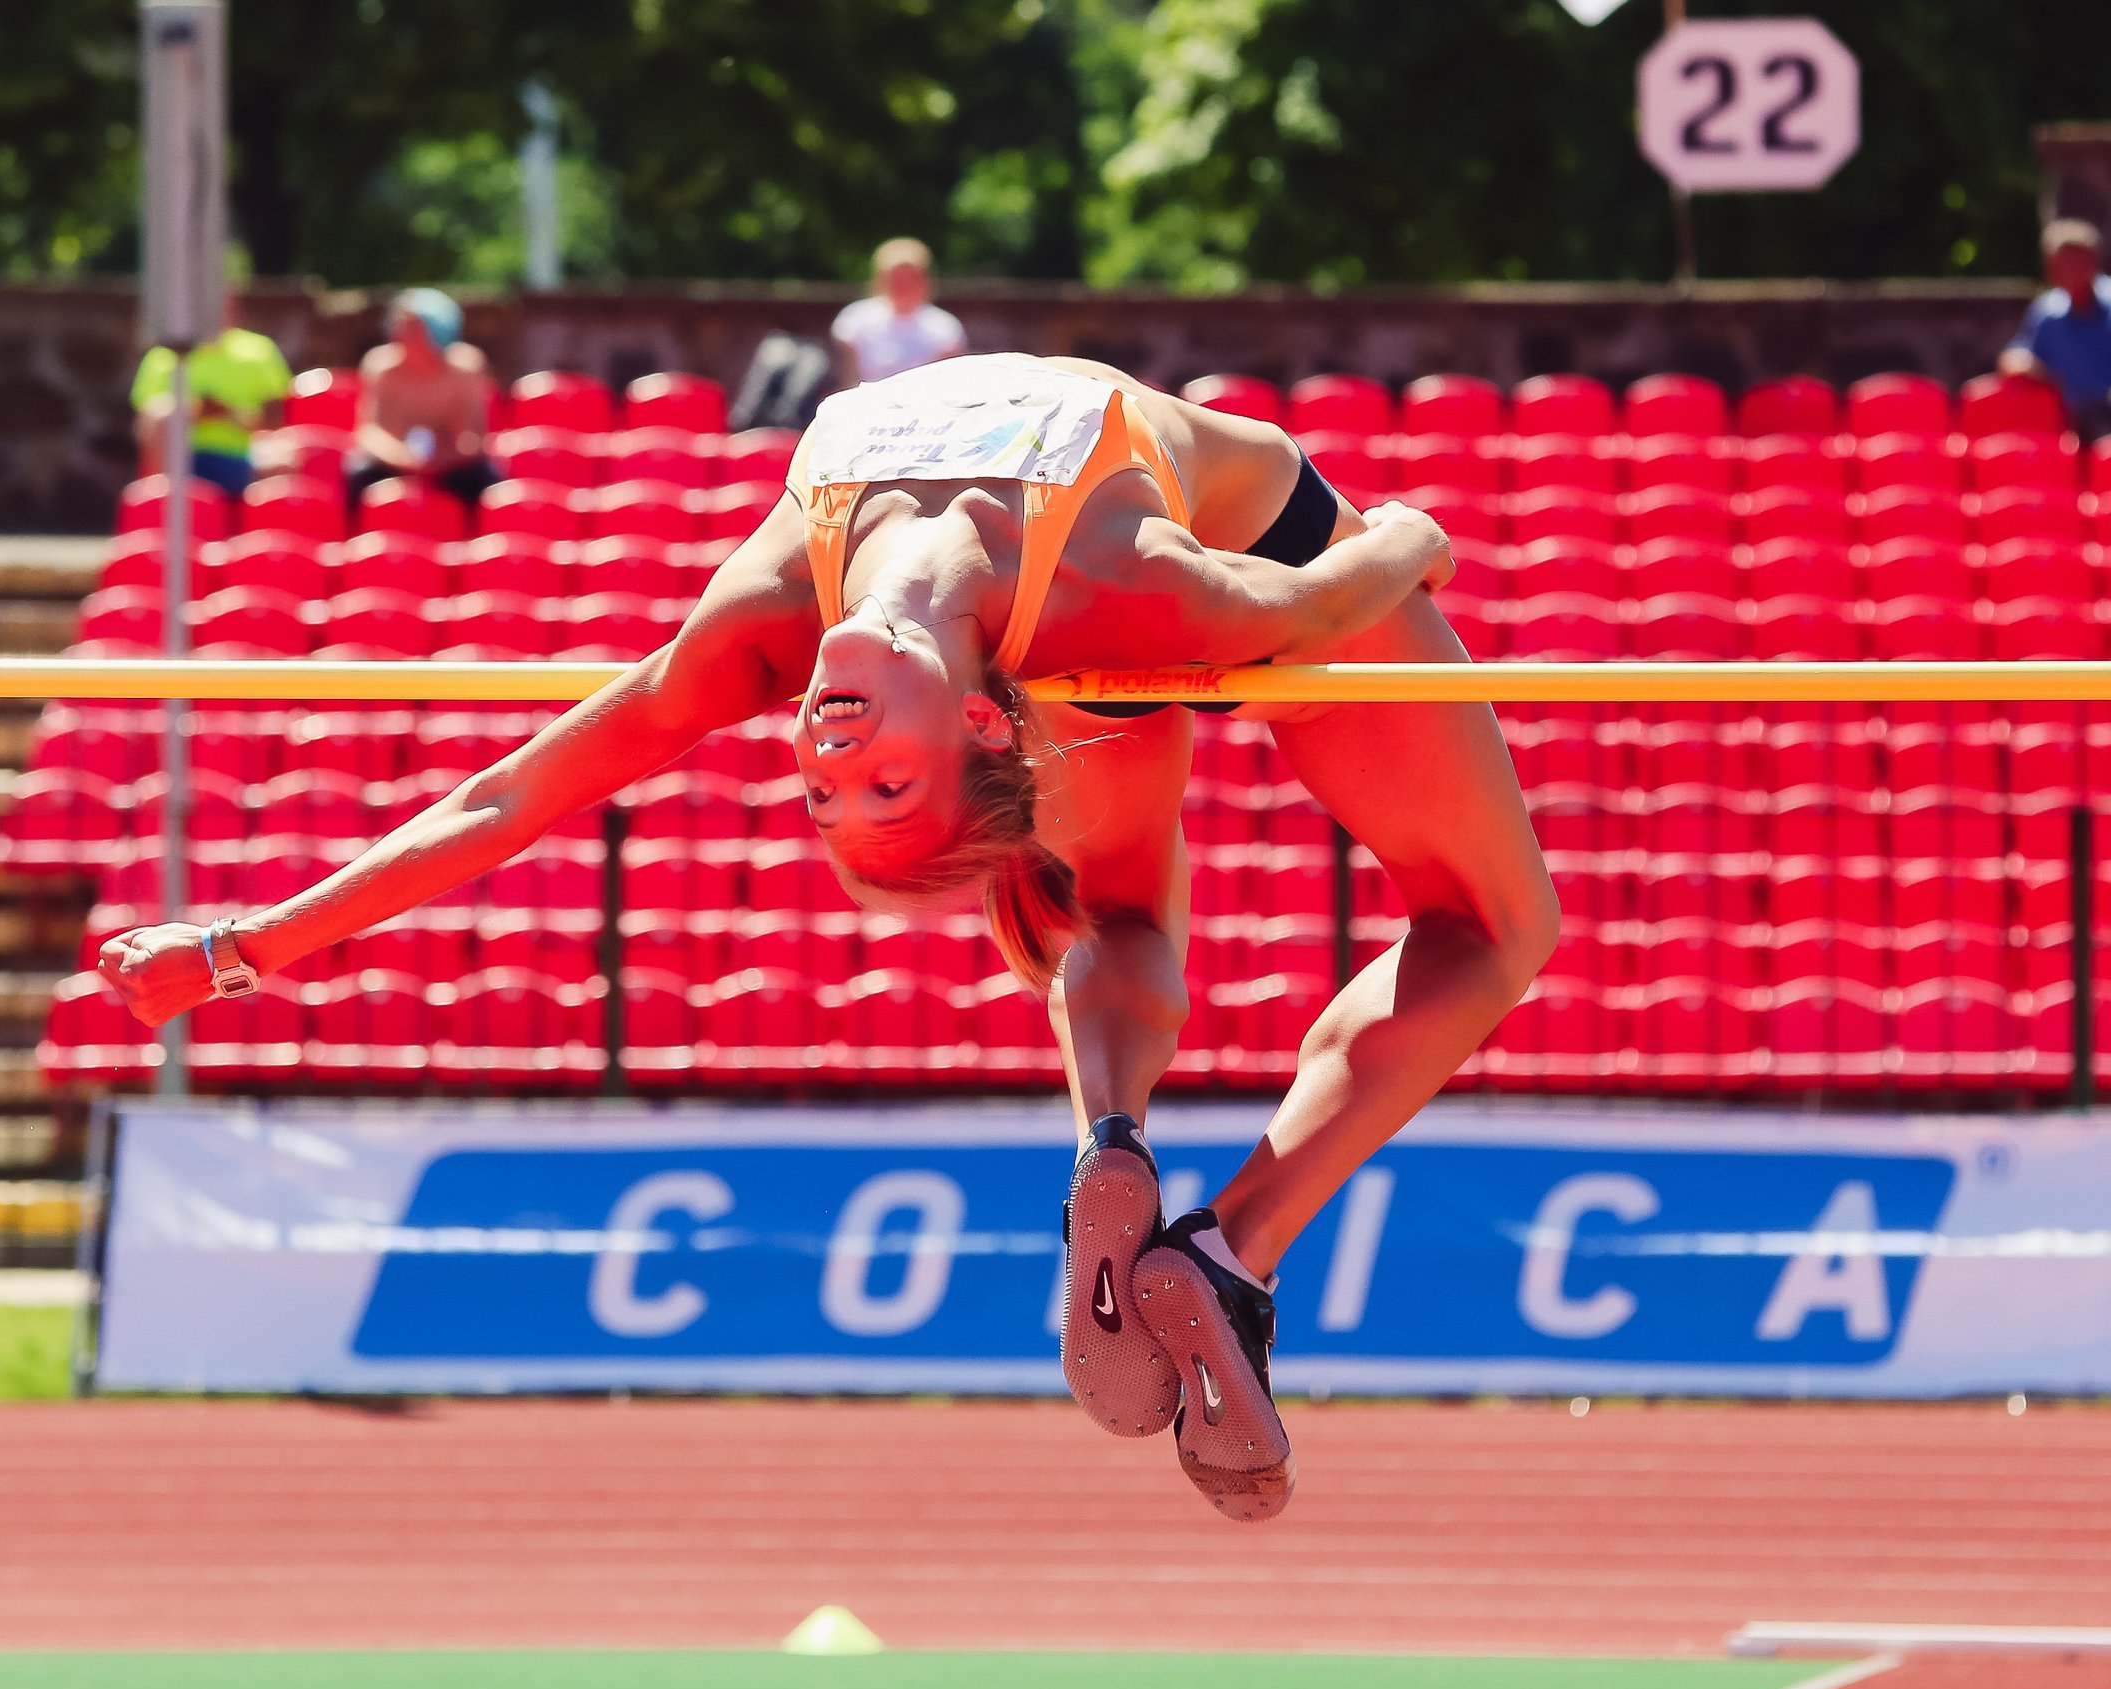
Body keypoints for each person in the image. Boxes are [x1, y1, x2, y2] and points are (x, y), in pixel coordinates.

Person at [103, 353, 1557, 1523]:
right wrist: (1411, 535)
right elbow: (1311, 601)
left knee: (1121, 909)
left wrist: (245, 944)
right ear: (978, 723)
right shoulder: (1134, 591)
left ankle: (1121, 1141)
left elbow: (511, 796)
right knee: (1495, 926)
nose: (831, 757)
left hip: (1128, 622)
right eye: (884, 788)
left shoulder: (769, 615)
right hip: (1228, 580)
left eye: (825, 791)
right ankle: (1232, 1247)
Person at [349, 287, 499, 509]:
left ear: (439, 331)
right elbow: (370, 432)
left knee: (485, 481)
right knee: (359, 474)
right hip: (394, 461)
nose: (401, 334)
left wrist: (438, 461)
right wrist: (404, 458)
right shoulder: (381, 367)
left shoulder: (466, 368)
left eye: (414, 329)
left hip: (452, 464)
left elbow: (472, 439)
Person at [130, 297, 294, 498]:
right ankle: (163, 498)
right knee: (161, 413)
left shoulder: (259, 350)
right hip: (183, 460)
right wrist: (194, 412)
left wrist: (232, 415)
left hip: (245, 458)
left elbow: (280, 422)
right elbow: (147, 423)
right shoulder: (162, 356)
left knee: (289, 460)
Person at [1999, 218, 2111, 440]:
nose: (2065, 271)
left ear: (2092, 260)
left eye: (2073, 263)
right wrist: (2025, 364)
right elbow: (2014, 356)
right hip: (2067, 423)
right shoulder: (2047, 310)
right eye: (2058, 264)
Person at [831, 238, 968, 388]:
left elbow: (947, 383)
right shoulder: (853, 321)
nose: (903, 286)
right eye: (896, 279)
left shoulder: (945, 328)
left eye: (911, 278)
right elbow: (848, 380)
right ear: (880, 280)